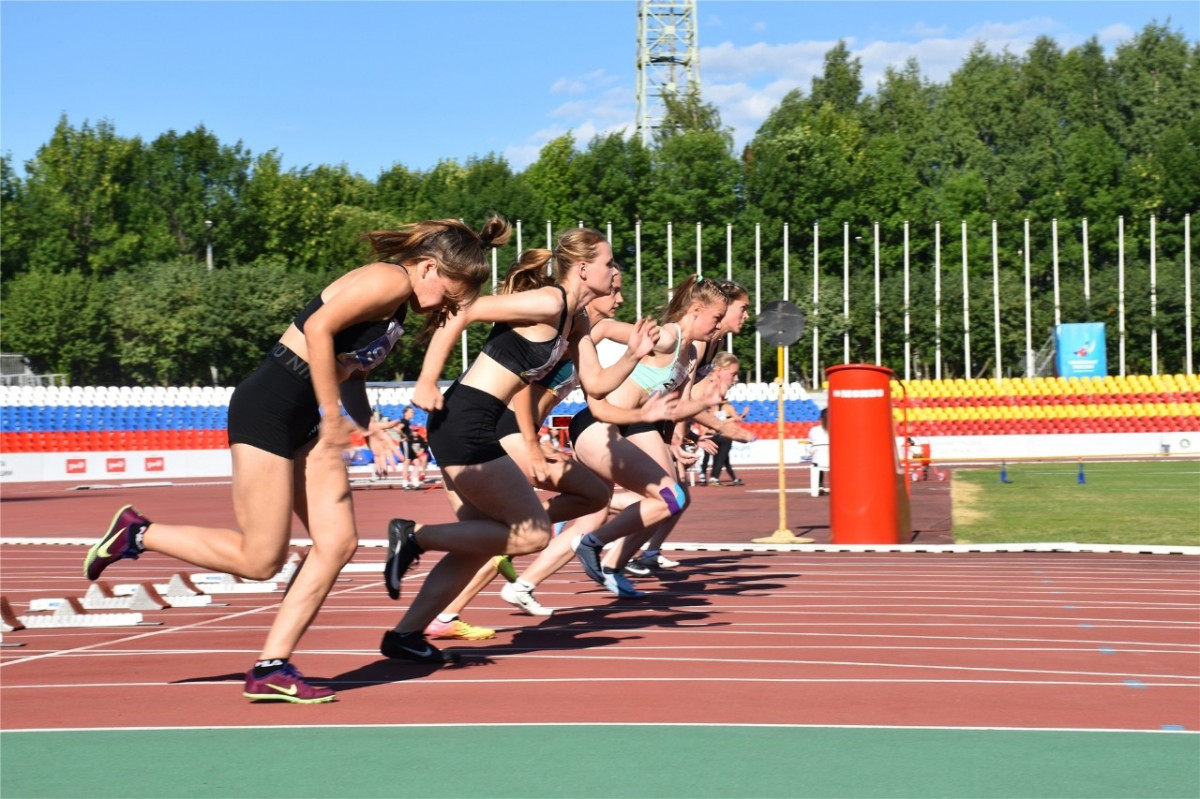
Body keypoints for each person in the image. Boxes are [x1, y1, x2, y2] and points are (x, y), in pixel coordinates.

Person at [82, 216, 511, 703]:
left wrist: (366, 425)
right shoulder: (388, 279)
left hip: (307, 415)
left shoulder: (397, 307)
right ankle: (136, 533)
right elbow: (316, 327)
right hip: (271, 407)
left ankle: (271, 667)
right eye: (458, 287)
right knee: (261, 559)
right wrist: (331, 417)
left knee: (337, 543)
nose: (458, 301)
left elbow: (348, 370)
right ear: (431, 267)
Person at [379, 228, 665, 662]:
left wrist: (632, 355)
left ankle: (404, 635)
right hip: (465, 419)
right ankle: (414, 536)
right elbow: (462, 311)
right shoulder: (549, 302)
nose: (616, 271)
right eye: (610, 263)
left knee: (495, 537)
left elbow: (596, 385)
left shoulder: (578, 319)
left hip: (477, 422)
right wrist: (424, 380)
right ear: (584, 268)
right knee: (530, 533)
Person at [503, 275, 727, 606]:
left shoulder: (691, 354)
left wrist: (708, 403)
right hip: (599, 423)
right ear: (696, 309)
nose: (720, 326)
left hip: (627, 427)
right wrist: (577, 355)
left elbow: (677, 407)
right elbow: (606, 329)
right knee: (669, 498)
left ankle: (522, 583)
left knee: (602, 508)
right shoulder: (668, 338)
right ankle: (592, 547)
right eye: (717, 318)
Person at [703, 353, 748, 487]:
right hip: (714, 436)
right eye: (733, 374)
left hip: (720, 437)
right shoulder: (704, 392)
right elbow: (682, 412)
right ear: (718, 371)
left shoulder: (724, 405)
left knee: (678, 499)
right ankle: (710, 475)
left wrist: (692, 436)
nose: (737, 379)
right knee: (675, 500)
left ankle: (715, 477)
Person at [808, 407, 830, 495]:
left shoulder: (814, 430)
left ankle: (819, 485)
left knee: (817, 462)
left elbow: (810, 448)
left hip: (818, 460)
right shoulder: (838, 428)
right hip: (835, 461)